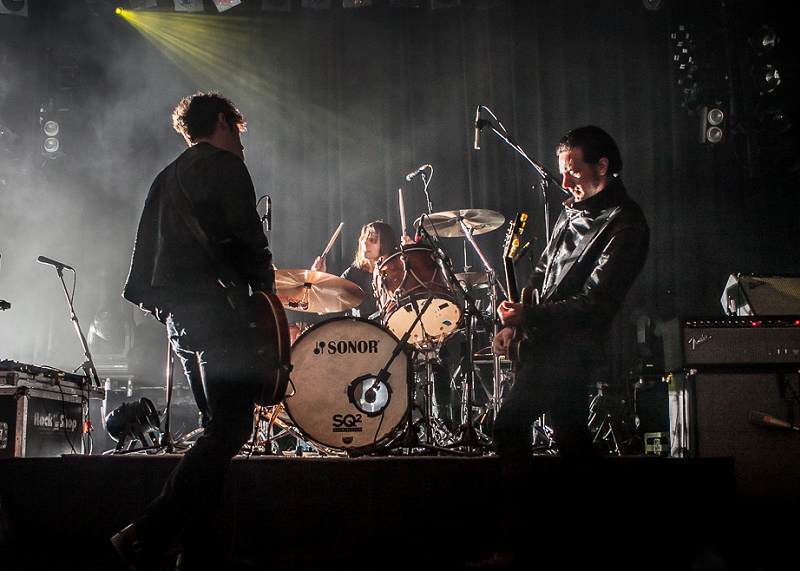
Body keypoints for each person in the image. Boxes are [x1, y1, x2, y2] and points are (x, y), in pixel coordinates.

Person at [112, 92, 278, 570]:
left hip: (183, 321)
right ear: (224, 122)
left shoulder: (165, 178)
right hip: (221, 317)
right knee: (232, 428)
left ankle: (197, 553)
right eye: (239, 131)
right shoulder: (227, 168)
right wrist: (265, 300)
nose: (242, 144)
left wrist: (168, 312)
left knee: (214, 432)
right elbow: (250, 241)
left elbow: (142, 262)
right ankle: (147, 532)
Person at [490, 125, 649, 566]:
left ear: (603, 166)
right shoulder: (568, 211)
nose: (565, 183)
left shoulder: (627, 224)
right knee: (574, 442)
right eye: (562, 172)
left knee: (507, 427)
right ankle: (606, 537)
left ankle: (516, 548)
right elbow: (541, 276)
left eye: (573, 171)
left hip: (575, 350)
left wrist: (533, 317)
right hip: (543, 342)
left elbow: (597, 305)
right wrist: (515, 323)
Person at [312, 220, 401, 320]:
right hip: (362, 332)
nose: (365, 243)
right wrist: (318, 278)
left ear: (386, 243)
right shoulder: (352, 274)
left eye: (372, 240)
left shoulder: (398, 273)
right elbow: (322, 309)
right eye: (363, 239)